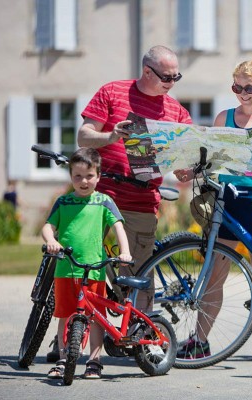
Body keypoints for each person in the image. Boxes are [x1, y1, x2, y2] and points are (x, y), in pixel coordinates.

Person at [175, 60, 252, 359]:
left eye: (248, 88)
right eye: (236, 87)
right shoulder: (224, 117)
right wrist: (192, 172)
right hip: (228, 198)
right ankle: (200, 341)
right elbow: (212, 158)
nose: (242, 93)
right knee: (215, 274)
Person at [77, 45, 192, 310]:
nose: (172, 83)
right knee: (81, 265)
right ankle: (72, 334)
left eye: (176, 77)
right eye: (166, 77)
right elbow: (83, 136)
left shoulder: (176, 112)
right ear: (146, 71)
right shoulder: (112, 92)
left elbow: (184, 161)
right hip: (100, 194)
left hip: (141, 200)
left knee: (140, 274)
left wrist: (187, 169)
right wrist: (111, 136)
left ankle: (139, 338)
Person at [41, 148, 132, 380]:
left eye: (89, 176)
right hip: (66, 269)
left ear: (98, 176)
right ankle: (62, 359)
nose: (83, 181)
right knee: (65, 315)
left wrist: (125, 251)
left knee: (96, 317)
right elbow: (48, 226)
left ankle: (94, 360)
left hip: (94, 269)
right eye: (77, 176)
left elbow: (118, 226)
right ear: (71, 176)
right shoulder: (63, 202)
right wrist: (51, 240)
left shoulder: (104, 201)